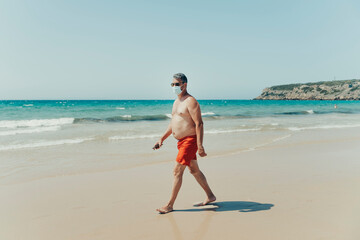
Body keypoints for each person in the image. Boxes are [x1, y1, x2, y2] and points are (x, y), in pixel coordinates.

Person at [153, 73, 216, 214]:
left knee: (177, 171)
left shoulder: (191, 101)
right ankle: (210, 196)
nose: (174, 87)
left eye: (176, 84)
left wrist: (200, 145)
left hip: (190, 141)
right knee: (194, 170)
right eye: (172, 84)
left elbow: (199, 123)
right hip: (181, 142)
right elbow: (173, 123)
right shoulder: (176, 102)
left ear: (184, 85)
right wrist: (162, 138)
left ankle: (169, 205)